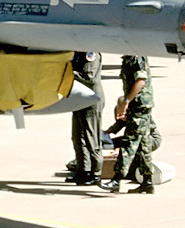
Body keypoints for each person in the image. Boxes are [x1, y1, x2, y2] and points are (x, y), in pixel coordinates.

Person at [100, 54, 156, 194]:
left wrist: (126, 102)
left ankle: (116, 180)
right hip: (138, 106)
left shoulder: (136, 56)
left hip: (139, 106)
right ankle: (147, 182)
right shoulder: (130, 56)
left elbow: (140, 81)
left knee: (129, 143)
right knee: (143, 145)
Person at [66, 51, 104, 185]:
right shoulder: (77, 51)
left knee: (91, 137)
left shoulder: (90, 52)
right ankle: (83, 171)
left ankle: (96, 173)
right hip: (79, 97)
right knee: (77, 136)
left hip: (91, 98)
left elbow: (90, 77)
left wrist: (66, 73)